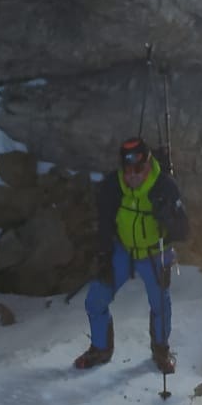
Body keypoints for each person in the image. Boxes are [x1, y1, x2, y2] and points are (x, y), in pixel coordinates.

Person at [73, 134, 190, 374]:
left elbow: (184, 231)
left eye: (139, 168)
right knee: (95, 299)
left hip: (155, 252)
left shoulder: (164, 186)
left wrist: (167, 214)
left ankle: (161, 351)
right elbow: (105, 221)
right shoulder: (113, 186)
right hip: (123, 250)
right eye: (129, 169)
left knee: (159, 304)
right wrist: (104, 255)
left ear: (148, 164)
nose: (134, 175)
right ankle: (101, 349)